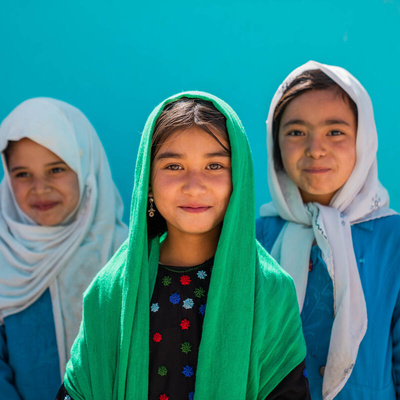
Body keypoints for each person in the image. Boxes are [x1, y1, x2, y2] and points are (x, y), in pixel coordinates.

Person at [57, 92, 309, 400]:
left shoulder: (268, 290)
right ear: (147, 182)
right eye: (174, 166)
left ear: (238, 178)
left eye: (214, 165)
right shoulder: (113, 290)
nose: (193, 185)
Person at [256, 60, 400, 399]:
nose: (315, 148)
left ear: (363, 141)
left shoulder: (393, 239)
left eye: (335, 131)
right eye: (295, 132)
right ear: (275, 145)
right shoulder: (255, 239)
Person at [0, 98, 128, 400]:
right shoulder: (5, 261)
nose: (40, 188)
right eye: (22, 174)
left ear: (85, 169)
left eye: (56, 169)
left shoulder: (129, 257)